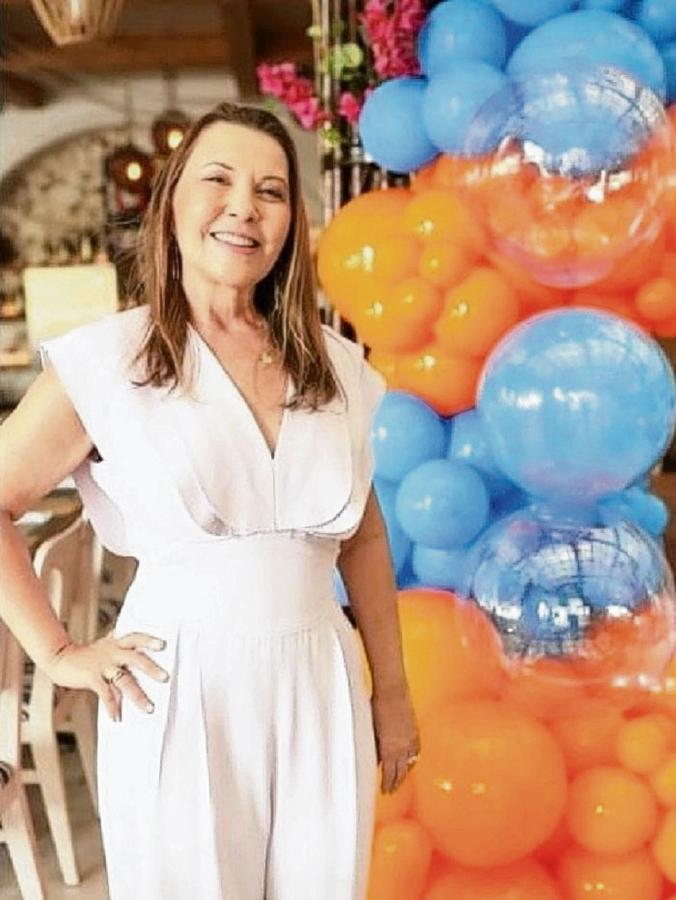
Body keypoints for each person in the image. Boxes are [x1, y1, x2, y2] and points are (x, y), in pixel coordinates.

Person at [0, 102, 420, 899]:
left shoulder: (335, 366)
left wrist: (392, 692)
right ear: (171, 203)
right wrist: (57, 653)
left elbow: (363, 536)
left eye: (270, 190)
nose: (243, 207)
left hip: (321, 682)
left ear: (292, 223)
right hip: (177, 685)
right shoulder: (110, 360)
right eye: (218, 180)